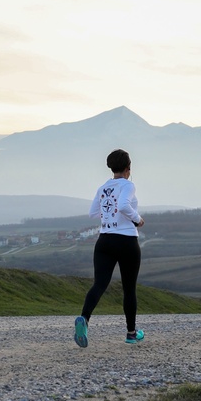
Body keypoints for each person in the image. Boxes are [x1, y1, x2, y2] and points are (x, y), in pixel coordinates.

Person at [74, 148, 145, 347]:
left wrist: (109, 218)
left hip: (104, 240)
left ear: (111, 167)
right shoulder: (128, 185)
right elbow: (123, 205)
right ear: (128, 168)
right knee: (129, 288)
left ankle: (84, 320)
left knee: (99, 284)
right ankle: (131, 334)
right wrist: (137, 219)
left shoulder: (103, 187)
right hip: (126, 241)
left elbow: (92, 213)